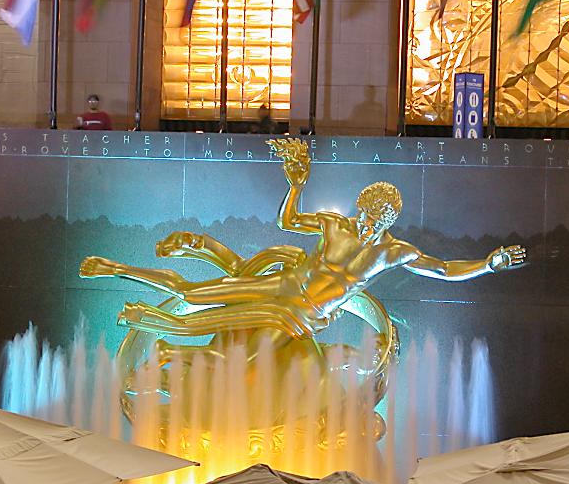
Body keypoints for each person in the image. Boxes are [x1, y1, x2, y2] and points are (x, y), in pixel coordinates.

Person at [80, 139, 527, 344]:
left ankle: (154, 324)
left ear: (389, 222)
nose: (365, 225)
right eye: (363, 215)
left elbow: (444, 269)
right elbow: (289, 221)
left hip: (305, 314)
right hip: (284, 284)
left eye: (374, 222)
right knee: (192, 294)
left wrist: (488, 264)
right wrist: (296, 185)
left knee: (224, 330)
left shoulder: (393, 252)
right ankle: (116, 268)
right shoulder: (335, 225)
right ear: (359, 208)